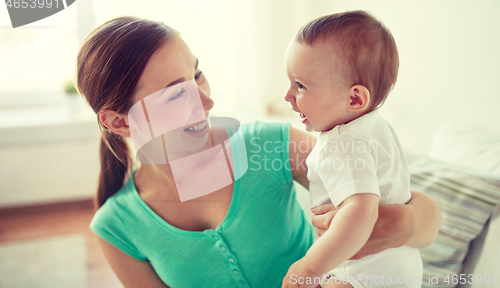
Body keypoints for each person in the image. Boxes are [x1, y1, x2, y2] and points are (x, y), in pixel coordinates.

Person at [77, 16, 441, 288]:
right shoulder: (116, 228)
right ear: (120, 122)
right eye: (176, 94)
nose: (207, 101)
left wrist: (406, 224)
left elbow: (426, 222)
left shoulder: (266, 146)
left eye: (198, 74)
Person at [282, 11, 422, 288]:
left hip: (362, 275)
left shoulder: (341, 143)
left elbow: (361, 211)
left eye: (300, 86)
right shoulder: (374, 128)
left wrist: (309, 268)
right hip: (400, 267)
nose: (288, 96)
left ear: (355, 98)